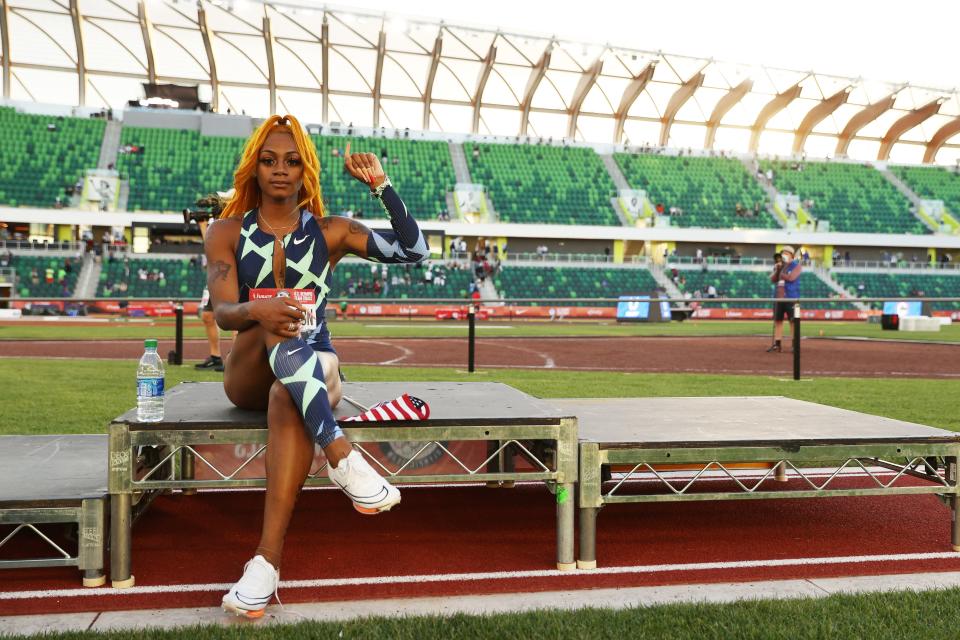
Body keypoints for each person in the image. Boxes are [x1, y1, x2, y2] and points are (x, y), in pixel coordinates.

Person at [205, 115, 429, 618]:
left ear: (306, 170)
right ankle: (341, 455)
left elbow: (414, 251)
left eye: (291, 161)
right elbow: (222, 312)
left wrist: (383, 187)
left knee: (291, 392)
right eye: (269, 160)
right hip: (247, 371)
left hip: (311, 368)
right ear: (254, 169)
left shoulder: (333, 232)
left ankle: (265, 564)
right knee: (271, 316)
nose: (280, 170)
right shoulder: (225, 232)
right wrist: (257, 309)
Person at [767, 246, 801, 353]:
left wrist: (781, 271)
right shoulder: (779, 266)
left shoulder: (797, 266)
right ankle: (777, 345)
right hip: (778, 298)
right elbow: (772, 279)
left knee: (793, 322)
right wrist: (777, 270)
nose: (784, 255)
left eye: (786, 253)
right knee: (778, 321)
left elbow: (791, 278)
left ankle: (794, 346)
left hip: (791, 298)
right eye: (783, 253)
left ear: (792, 255)